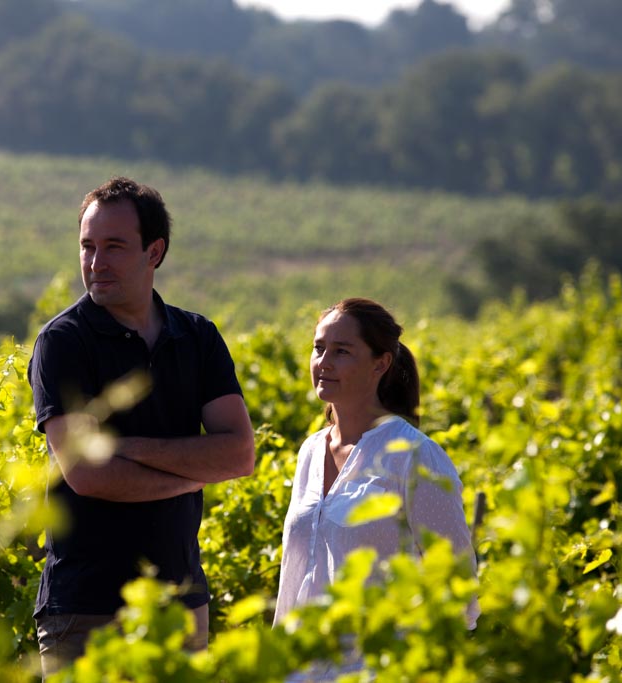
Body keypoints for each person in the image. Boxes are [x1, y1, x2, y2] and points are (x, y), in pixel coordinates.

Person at [28, 176, 256, 676]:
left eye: (113, 246)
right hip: (87, 610)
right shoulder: (62, 342)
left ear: (154, 251)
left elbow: (239, 454)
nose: (95, 262)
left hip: (181, 603)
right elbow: (88, 475)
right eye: (87, 246)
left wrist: (125, 447)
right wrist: (195, 473)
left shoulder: (197, 336)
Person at [274, 298, 478, 639]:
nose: (324, 362)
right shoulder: (311, 451)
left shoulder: (414, 456)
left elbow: (458, 584)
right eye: (319, 348)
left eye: (342, 351)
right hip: (303, 660)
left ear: (380, 364)